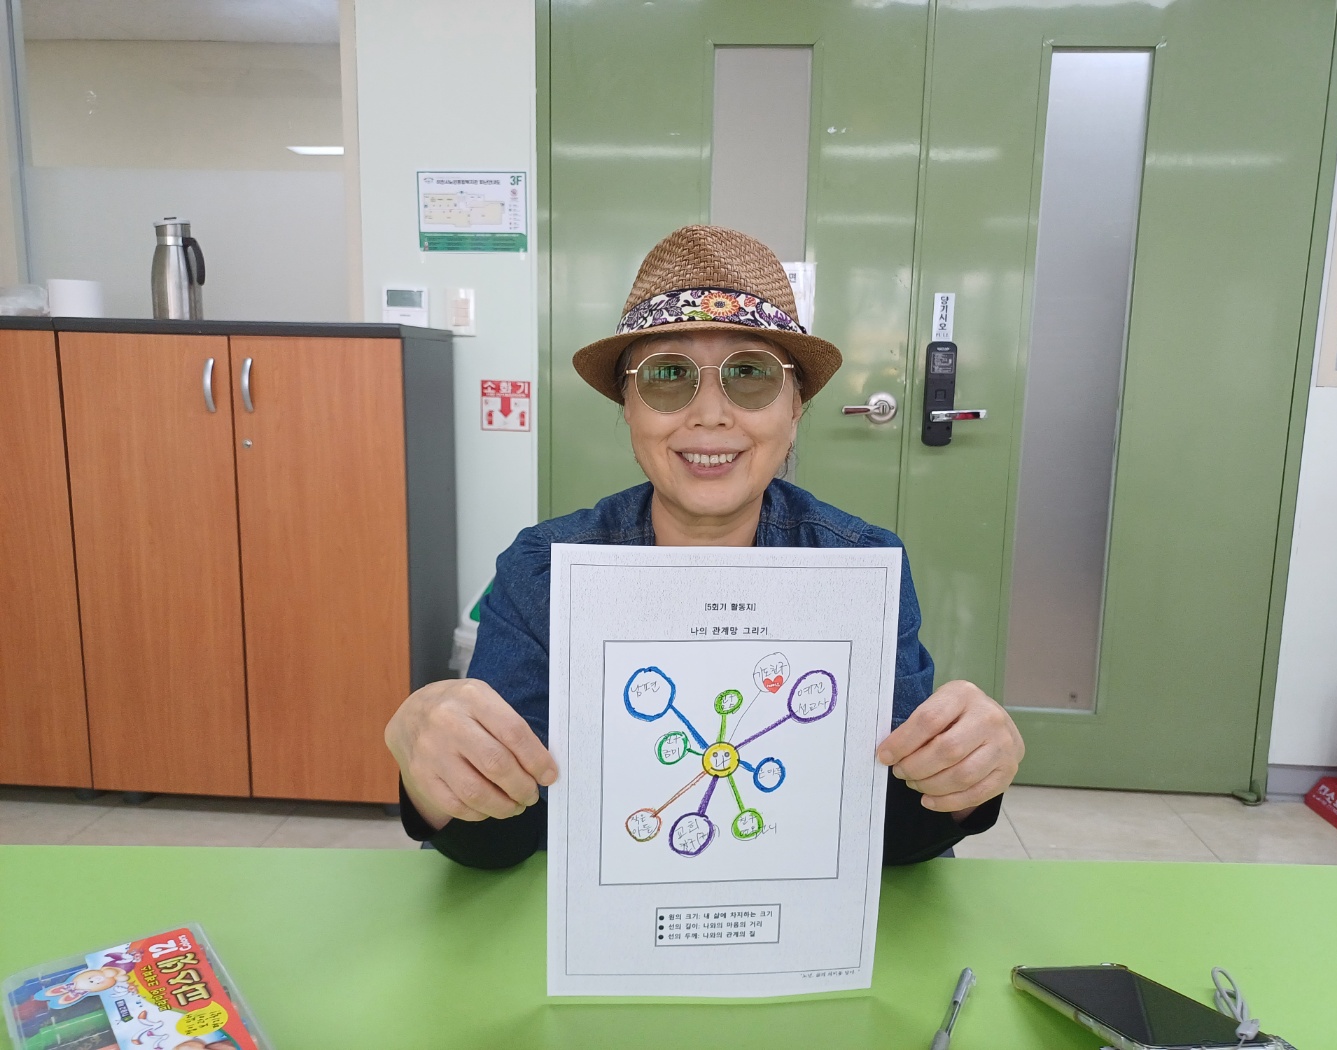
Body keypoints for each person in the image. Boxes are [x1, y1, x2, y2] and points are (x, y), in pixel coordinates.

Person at [386, 225, 1024, 868]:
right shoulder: (543, 572)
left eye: (751, 375)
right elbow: (498, 839)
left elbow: (895, 833)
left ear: (796, 407)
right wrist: (436, 772)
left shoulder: (860, 570)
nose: (711, 414)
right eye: (667, 376)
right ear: (628, 406)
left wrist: (961, 775)